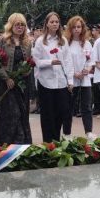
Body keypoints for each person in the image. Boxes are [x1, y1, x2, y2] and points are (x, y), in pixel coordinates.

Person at [32, 11, 73, 142]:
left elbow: (68, 61)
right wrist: (50, 62)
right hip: (46, 82)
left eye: (56, 22)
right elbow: (36, 61)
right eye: (52, 22)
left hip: (60, 81)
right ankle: (48, 141)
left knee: (62, 111)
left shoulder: (63, 41)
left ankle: (56, 138)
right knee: (47, 113)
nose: (54, 24)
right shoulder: (40, 41)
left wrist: (70, 80)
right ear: (47, 24)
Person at [0, 13, 33, 145]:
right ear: (11, 25)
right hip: (7, 84)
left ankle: (22, 144)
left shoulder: (27, 42)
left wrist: (26, 72)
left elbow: (29, 62)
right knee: (11, 114)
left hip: (21, 84)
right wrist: (6, 78)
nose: (20, 27)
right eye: (17, 24)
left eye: (22, 24)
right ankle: (7, 144)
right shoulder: (3, 40)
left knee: (22, 114)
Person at [62, 15, 93, 139]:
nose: (76, 29)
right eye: (74, 27)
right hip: (71, 79)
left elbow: (91, 60)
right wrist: (74, 73)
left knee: (86, 106)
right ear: (70, 28)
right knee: (69, 107)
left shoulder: (87, 44)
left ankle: (89, 132)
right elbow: (64, 61)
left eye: (79, 27)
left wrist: (87, 69)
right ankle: (67, 133)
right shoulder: (66, 44)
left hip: (84, 79)